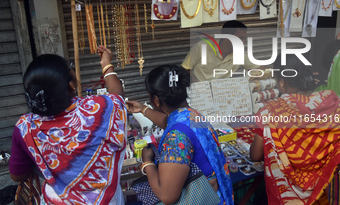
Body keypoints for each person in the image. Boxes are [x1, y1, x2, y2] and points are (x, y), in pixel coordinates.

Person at [9, 46, 127, 204]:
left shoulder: (25, 128)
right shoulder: (98, 108)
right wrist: (106, 63)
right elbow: (117, 98)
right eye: (70, 69)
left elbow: (17, 175)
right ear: (70, 86)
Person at [127, 65, 233, 205]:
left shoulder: (176, 138)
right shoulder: (191, 115)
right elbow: (170, 122)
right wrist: (142, 109)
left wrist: (147, 162)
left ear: (156, 100)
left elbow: (167, 195)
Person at [250, 54, 340, 205]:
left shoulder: (270, 113)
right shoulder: (332, 103)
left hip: (287, 197)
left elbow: (255, 155)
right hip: (324, 192)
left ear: (282, 81)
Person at [181, 20, 260, 82]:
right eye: (240, 38)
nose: (243, 42)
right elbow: (185, 68)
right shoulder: (202, 47)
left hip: (220, 93)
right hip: (199, 93)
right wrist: (196, 85)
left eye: (244, 39)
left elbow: (259, 68)